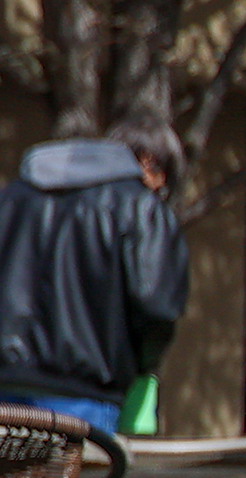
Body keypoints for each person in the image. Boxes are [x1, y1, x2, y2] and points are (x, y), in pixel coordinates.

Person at [0, 119, 191, 433]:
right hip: (82, 393)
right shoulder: (139, 207)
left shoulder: (10, 199)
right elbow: (156, 305)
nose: (159, 191)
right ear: (148, 162)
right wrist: (142, 368)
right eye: (163, 180)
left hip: (5, 385)